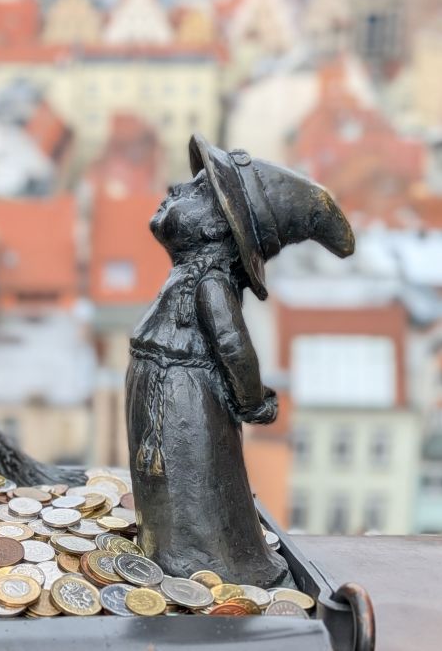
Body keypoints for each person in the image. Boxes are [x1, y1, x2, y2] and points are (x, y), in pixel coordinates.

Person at [126, 134, 355, 587]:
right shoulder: (188, 275)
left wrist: (252, 402)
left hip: (184, 397)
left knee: (192, 479)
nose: (176, 187)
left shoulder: (210, 280)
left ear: (219, 227)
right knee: (167, 487)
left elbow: (233, 346)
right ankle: (166, 550)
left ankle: (201, 564)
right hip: (164, 389)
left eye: (198, 191)